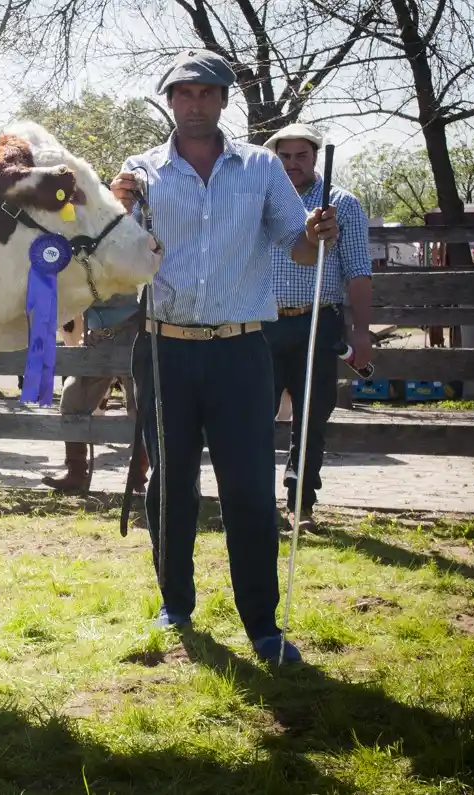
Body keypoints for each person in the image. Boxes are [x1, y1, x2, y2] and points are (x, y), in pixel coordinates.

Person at [109, 48, 338, 665]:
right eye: (184, 94)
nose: (195, 104)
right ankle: (174, 606)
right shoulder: (141, 171)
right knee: (169, 482)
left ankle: (263, 625)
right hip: (164, 348)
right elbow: (116, 252)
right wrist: (116, 209)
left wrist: (316, 235)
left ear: (223, 100)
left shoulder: (261, 167)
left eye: (206, 93)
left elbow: (299, 248)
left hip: (241, 350)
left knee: (249, 487)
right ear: (170, 101)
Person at [261, 123, 372, 534]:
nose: (293, 164)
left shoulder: (342, 204)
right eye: (285, 157)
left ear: (315, 157)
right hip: (263, 323)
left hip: (318, 321)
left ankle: (301, 502)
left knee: (310, 418)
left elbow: (358, 271)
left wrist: (362, 331)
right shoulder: (260, 200)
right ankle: (256, 504)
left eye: (301, 156)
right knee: (251, 417)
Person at [40, 291, 150, 494]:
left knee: (140, 405)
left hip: (131, 330)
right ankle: (75, 473)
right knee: (73, 398)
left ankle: (138, 475)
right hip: (97, 335)